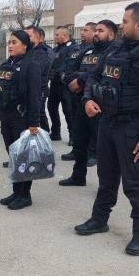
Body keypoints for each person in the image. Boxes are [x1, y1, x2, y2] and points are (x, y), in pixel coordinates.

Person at [74, 3, 139, 256]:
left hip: (133, 127)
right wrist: (88, 100)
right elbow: (93, 78)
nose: (121, 25)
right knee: (106, 177)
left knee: (134, 182)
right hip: (107, 122)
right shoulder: (114, 50)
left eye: (125, 21)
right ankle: (99, 219)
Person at [60, 20, 117, 186]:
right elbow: (72, 70)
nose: (97, 33)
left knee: (102, 148)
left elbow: (100, 74)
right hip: (81, 102)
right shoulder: (87, 51)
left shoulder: (114, 52)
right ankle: (78, 176)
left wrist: (81, 79)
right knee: (79, 142)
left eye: (101, 30)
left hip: (101, 106)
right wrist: (74, 79)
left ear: (111, 34)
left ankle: (104, 185)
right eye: (96, 30)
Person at [0, 30, 43, 210]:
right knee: (13, 155)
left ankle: (25, 195)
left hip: (21, 118)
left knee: (23, 157)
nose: (10, 45)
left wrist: (33, 123)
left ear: (25, 45)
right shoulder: (6, 64)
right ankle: (17, 191)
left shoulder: (32, 65)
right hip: (6, 115)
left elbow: (34, 97)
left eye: (14, 42)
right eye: (9, 42)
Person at [61, 23, 97, 161]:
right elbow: (73, 68)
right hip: (76, 92)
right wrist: (69, 79)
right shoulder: (81, 49)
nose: (82, 32)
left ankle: (93, 153)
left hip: (90, 93)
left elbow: (94, 72)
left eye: (86, 30)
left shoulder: (100, 50)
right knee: (78, 125)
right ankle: (76, 150)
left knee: (92, 126)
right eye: (82, 30)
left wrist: (80, 81)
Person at [47, 26, 81, 141]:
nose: (55, 37)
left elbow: (69, 65)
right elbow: (50, 64)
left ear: (65, 36)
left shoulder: (74, 48)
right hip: (54, 84)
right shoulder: (56, 49)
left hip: (65, 85)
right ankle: (55, 132)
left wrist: (58, 73)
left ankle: (73, 135)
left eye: (57, 35)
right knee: (51, 107)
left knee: (68, 110)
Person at [24, 26, 53, 133]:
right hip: (29, 88)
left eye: (29, 36)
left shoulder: (44, 52)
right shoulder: (29, 51)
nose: (26, 38)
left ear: (38, 37)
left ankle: (45, 134)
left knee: (38, 112)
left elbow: (37, 72)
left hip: (39, 88)